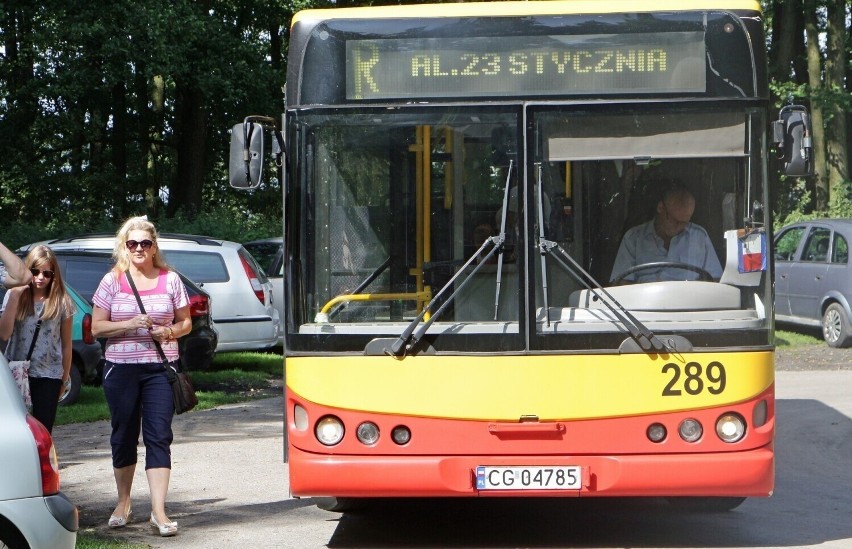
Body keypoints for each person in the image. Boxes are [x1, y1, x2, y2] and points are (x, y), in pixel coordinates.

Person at [91, 216, 191, 537]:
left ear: (153, 247)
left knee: (159, 436)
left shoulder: (170, 280)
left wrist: (168, 330)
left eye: (144, 244)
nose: (138, 249)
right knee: (123, 434)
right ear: (125, 246)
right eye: (132, 243)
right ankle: (123, 502)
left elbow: (186, 323)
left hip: (160, 369)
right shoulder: (112, 281)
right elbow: (96, 327)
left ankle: (159, 511)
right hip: (120, 369)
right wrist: (130, 323)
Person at [0, 246, 74, 432]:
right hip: (16, 371)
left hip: (48, 374)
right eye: (35, 272)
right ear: (28, 270)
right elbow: (4, 334)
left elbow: (66, 344)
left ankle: (42, 462)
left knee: (43, 430)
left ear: (54, 275)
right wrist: (15, 297)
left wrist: (64, 380)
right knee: (17, 428)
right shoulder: (14, 294)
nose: (40, 277)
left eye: (46, 273)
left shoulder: (61, 301)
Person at [610, 183, 722, 283]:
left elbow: (715, 280)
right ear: (660, 208)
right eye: (676, 221)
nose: (679, 227)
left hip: (688, 303)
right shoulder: (633, 238)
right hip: (644, 303)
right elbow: (621, 284)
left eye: (684, 222)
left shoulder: (699, 237)